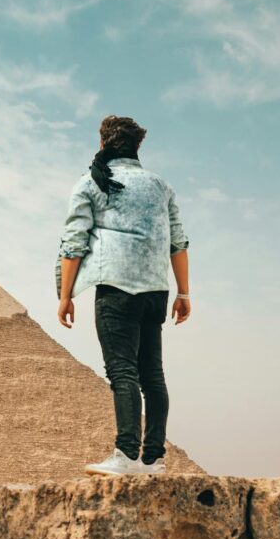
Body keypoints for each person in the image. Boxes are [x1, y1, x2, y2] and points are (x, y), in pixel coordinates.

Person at [56, 115, 190, 476]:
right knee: (153, 375)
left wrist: (65, 296)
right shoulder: (161, 186)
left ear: (102, 143)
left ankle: (127, 454)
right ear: (138, 146)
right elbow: (178, 242)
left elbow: (74, 244)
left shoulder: (91, 183)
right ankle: (154, 459)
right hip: (156, 291)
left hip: (115, 287)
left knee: (123, 371)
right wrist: (185, 293)